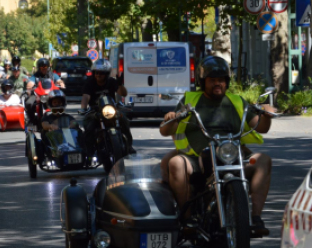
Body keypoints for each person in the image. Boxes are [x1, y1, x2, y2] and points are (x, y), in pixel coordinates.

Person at [160, 55, 276, 235]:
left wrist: (266, 115)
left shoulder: (236, 101)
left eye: (221, 80)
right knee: (175, 163)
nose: (217, 84)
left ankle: (255, 218)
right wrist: (171, 118)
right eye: (212, 80)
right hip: (197, 158)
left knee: (263, 160)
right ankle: (188, 220)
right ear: (202, 81)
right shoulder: (191, 100)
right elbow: (166, 131)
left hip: (231, 155)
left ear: (227, 82)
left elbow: (261, 127)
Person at [80, 58, 135, 155]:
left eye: (101, 73)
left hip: (111, 110)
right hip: (95, 111)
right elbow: (86, 97)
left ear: (106, 74)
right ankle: (89, 151)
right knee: (89, 126)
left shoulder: (111, 82)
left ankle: (129, 146)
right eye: (96, 72)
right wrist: (83, 108)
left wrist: (120, 84)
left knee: (124, 120)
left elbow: (123, 93)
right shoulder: (90, 83)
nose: (98, 75)